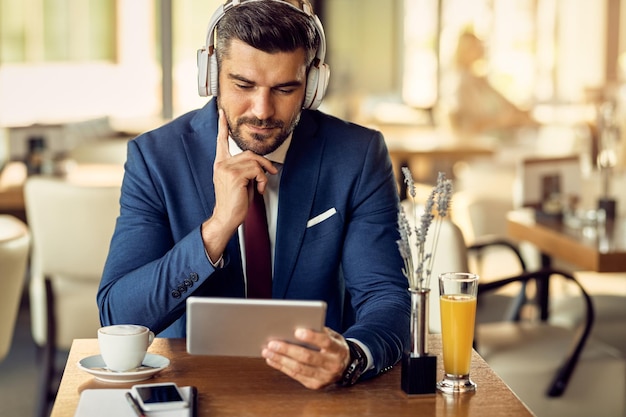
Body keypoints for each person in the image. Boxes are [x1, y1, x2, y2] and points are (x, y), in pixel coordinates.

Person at [97, 0, 409, 390]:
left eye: (284, 88)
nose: (262, 110)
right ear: (210, 75)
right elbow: (117, 315)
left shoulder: (357, 155)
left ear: (312, 86)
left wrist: (353, 356)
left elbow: (387, 297)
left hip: (317, 394)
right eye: (243, 85)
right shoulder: (156, 159)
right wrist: (217, 228)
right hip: (196, 386)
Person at [446, 31, 537, 137]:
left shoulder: (480, 81)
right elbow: (472, 124)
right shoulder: (462, 84)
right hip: (483, 142)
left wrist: (520, 114)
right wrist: (503, 121)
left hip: (500, 138)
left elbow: (507, 103)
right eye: (475, 46)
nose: (481, 48)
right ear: (464, 51)